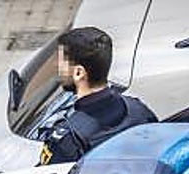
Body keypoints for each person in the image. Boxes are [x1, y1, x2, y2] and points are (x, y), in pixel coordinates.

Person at [37, 26, 157, 165]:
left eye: (61, 61)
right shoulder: (140, 111)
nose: (56, 65)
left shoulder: (68, 141)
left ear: (79, 73)